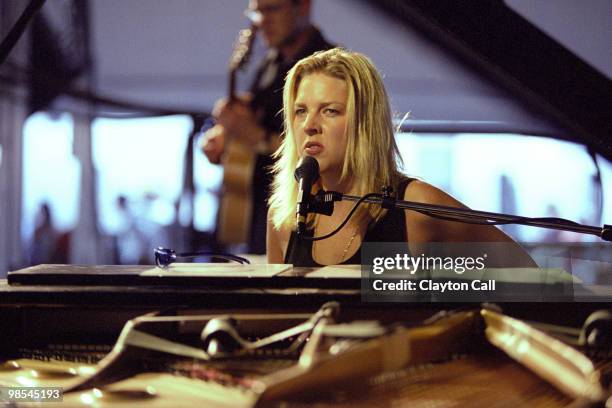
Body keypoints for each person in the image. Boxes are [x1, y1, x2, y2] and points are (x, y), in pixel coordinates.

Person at [266, 48, 535, 267]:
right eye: (300, 111)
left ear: (365, 123)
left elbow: (528, 274)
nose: (309, 125)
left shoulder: (416, 206)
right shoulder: (283, 217)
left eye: (330, 111)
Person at [201, 0, 334, 254]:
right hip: (264, 213)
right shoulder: (269, 63)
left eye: (272, 9)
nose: (261, 21)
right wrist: (223, 136)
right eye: (257, 12)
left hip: (305, 218)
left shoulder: (328, 66)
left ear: (303, 7)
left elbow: (330, 152)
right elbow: (251, 123)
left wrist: (257, 136)